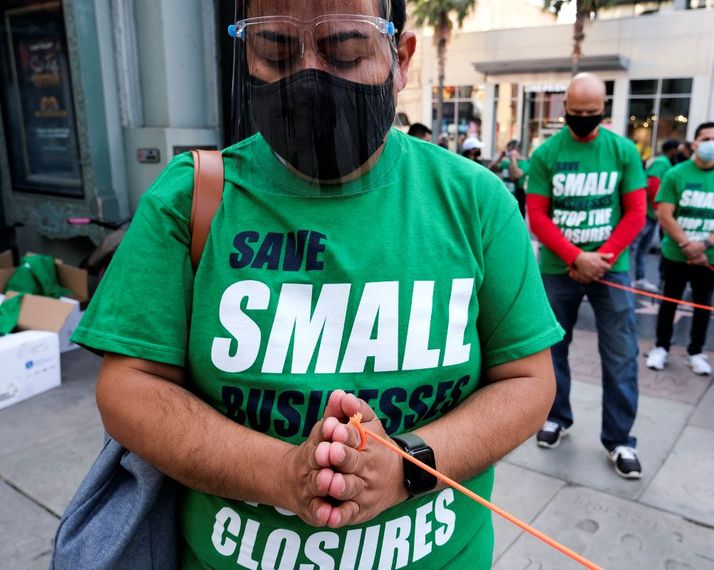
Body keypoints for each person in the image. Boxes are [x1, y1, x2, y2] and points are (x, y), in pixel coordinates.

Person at [69, 1, 564, 567]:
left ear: (400, 58)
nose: (309, 76)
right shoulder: (191, 199)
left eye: (347, 52)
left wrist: (407, 466)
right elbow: (129, 388)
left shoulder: (474, 200)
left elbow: (527, 379)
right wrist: (282, 475)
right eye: (275, 51)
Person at [526, 72, 647, 479]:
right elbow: (538, 215)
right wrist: (576, 257)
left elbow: (635, 212)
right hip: (560, 269)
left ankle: (620, 440)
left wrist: (602, 257)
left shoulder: (623, 151)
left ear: (603, 110)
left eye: (591, 113)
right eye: (576, 113)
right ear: (565, 110)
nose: (583, 119)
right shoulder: (546, 154)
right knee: (551, 351)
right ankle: (557, 416)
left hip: (612, 269)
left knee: (620, 353)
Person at [646, 122, 714, 376]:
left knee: (703, 305)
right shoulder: (676, 174)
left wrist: (705, 245)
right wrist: (686, 244)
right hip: (676, 254)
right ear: (695, 143)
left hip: (710, 256)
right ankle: (661, 347)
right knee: (669, 302)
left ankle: (696, 351)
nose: (712, 143)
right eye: (706, 138)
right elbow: (665, 213)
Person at [631, 139, 682, 293]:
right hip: (646, 214)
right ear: (673, 150)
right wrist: (659, 209)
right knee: (631, 247)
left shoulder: (667, 163)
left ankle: (639, 279)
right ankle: (619, 280)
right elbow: (653, 184)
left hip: (651, 215)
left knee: (642, 249)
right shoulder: (662, 162)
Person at [489, 139, 529, 217]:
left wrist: (513, 159)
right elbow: (491, 169)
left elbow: (514, 176)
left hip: (517, 201)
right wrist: (500, 157)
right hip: (504, 199)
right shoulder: (506, 163)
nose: (509, 152)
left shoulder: (524, 163)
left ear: (517, 150)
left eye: (510, 150)